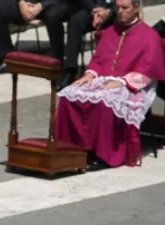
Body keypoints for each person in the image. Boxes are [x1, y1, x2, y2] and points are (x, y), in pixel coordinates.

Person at [56, 0, 165, 169]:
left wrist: (122, 82)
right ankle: (72, 148)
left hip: (132, 85)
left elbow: (148, 70)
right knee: (68, 95)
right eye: (118, 8)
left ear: (137, 8)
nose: (120, 12)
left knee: (105, 101)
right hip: (104, 79)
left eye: (125, 8)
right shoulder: (111, 31)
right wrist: (89, 74)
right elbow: (99, 60)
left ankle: (103, 154)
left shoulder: (149, 36)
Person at [0, 1, 80, 74]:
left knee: (53, 16)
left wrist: (41, 6)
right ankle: (5, 58)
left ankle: (57, 62)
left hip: (54, 3)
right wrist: (22, 3)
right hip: (29, 4)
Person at [61, 1, 117, 89]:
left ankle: (114, 69)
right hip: (92, 8)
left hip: (117, 10)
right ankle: (70, 70)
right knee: (76, 21)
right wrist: (96, 11)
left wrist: (108, 12)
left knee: (121, 20)